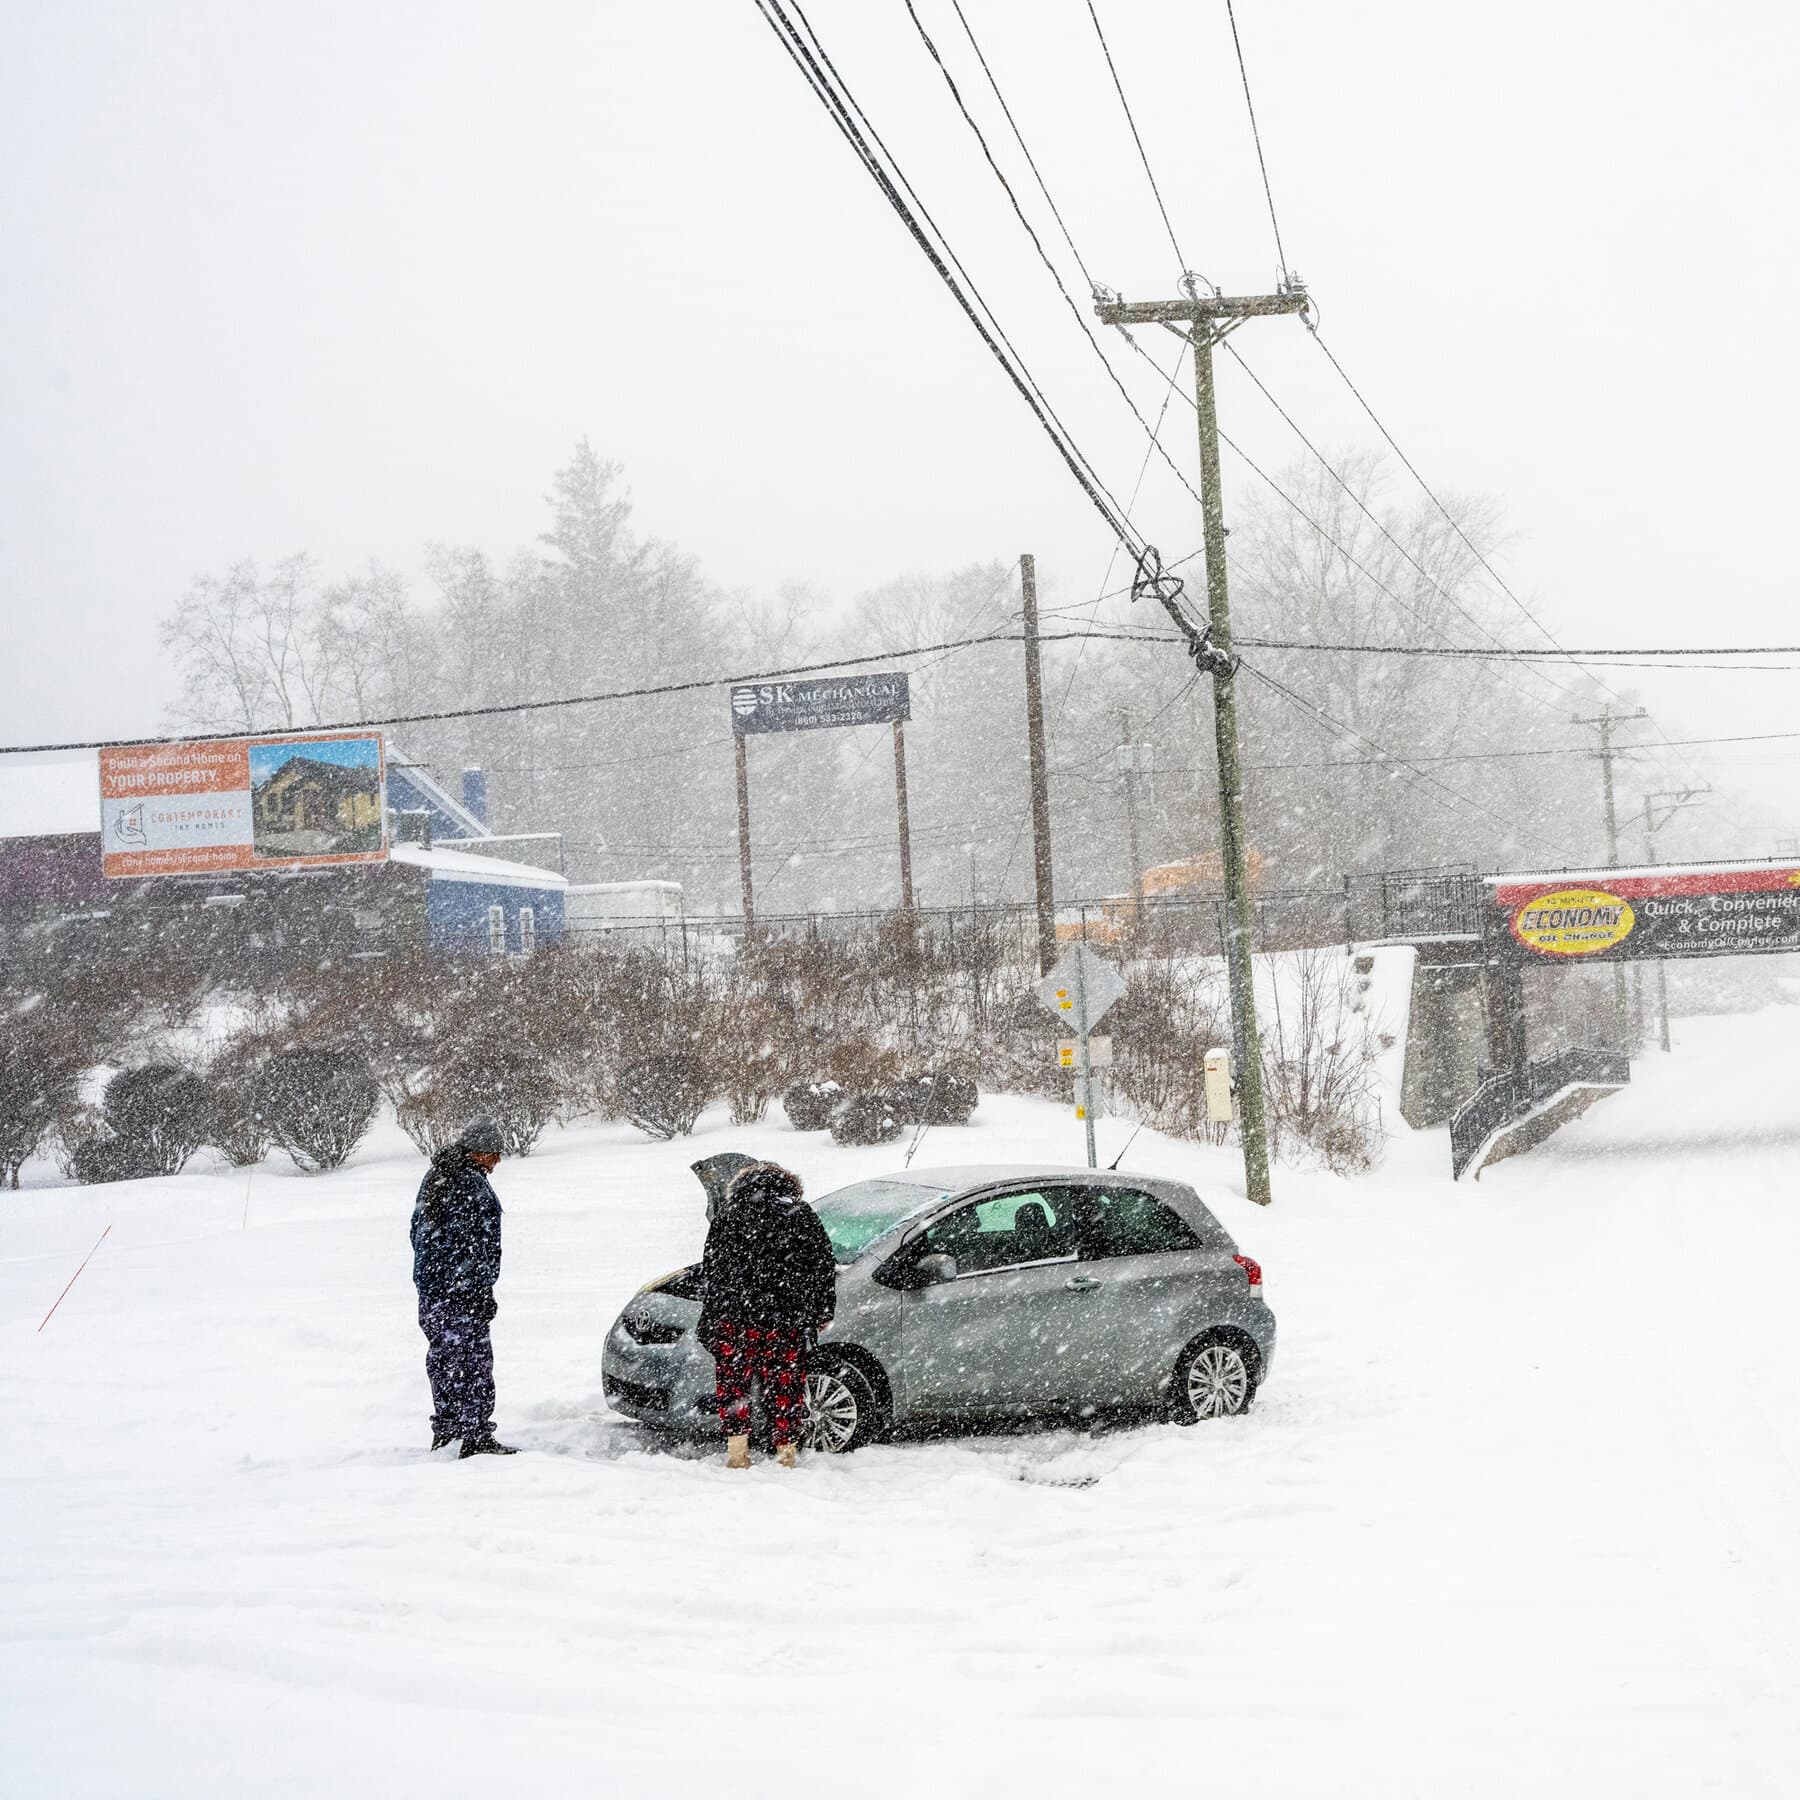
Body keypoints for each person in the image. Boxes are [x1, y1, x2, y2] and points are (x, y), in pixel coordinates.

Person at [696, 1161, 837, 1469]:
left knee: (734, 1387)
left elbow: (712, 1271)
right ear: (788, 1185)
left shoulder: (728, 1217)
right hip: (783, 1320)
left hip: (735, 1320)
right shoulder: (800, 1215)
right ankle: (786, 1454)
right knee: (785, 1386)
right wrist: (822, 1310)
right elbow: (823, 1265)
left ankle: (738, 1454)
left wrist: (711, 1315)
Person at [410, 1116, 517, 1458]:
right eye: (494, 1153)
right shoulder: (468, 1183)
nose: (498, 1160)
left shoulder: (436, 1176)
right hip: (461, 1294)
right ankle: (475, 1436)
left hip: (433, 1293)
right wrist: (477, 1290)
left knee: (443, 1361)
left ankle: (447, 1429)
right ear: (479, 1151)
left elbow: (418, 1231)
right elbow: (476, 1244)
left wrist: (434, 1277)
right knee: (473, 1363)